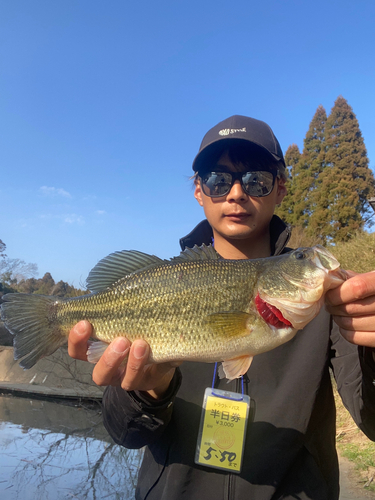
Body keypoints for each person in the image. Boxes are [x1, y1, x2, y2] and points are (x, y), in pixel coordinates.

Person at [68, 115, 375, 500]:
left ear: (280, 189)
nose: (235, 194)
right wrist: (151, 391)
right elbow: (126, 434)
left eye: (256, 180)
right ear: (199, 190)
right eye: (218, 180)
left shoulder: (326, 300)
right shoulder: (162, 282)